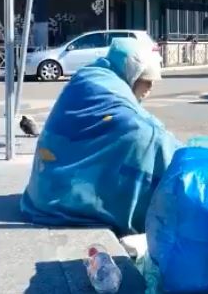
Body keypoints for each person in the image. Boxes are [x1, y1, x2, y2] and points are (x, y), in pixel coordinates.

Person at [20, 38, 182, 235]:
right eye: (146, 81)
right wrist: (183, 157)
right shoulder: (104, 89)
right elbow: (140, 129)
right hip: (59, 200)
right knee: (146, 142)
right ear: (132, 73)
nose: (150, 88)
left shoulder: (92, 75)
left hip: (46, 188)